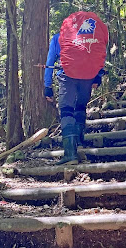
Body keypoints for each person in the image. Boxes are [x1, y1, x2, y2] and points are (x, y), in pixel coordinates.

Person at [44, 11, 108, 165]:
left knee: (66, 110)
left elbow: (50, 62)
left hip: (67, 76)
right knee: (80, 107)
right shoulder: (90, 39)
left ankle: (70, 153)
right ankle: (80, 142)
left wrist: (47, 86)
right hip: (88, 77)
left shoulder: (57, 39)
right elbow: (100, 56)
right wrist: (97, 77)